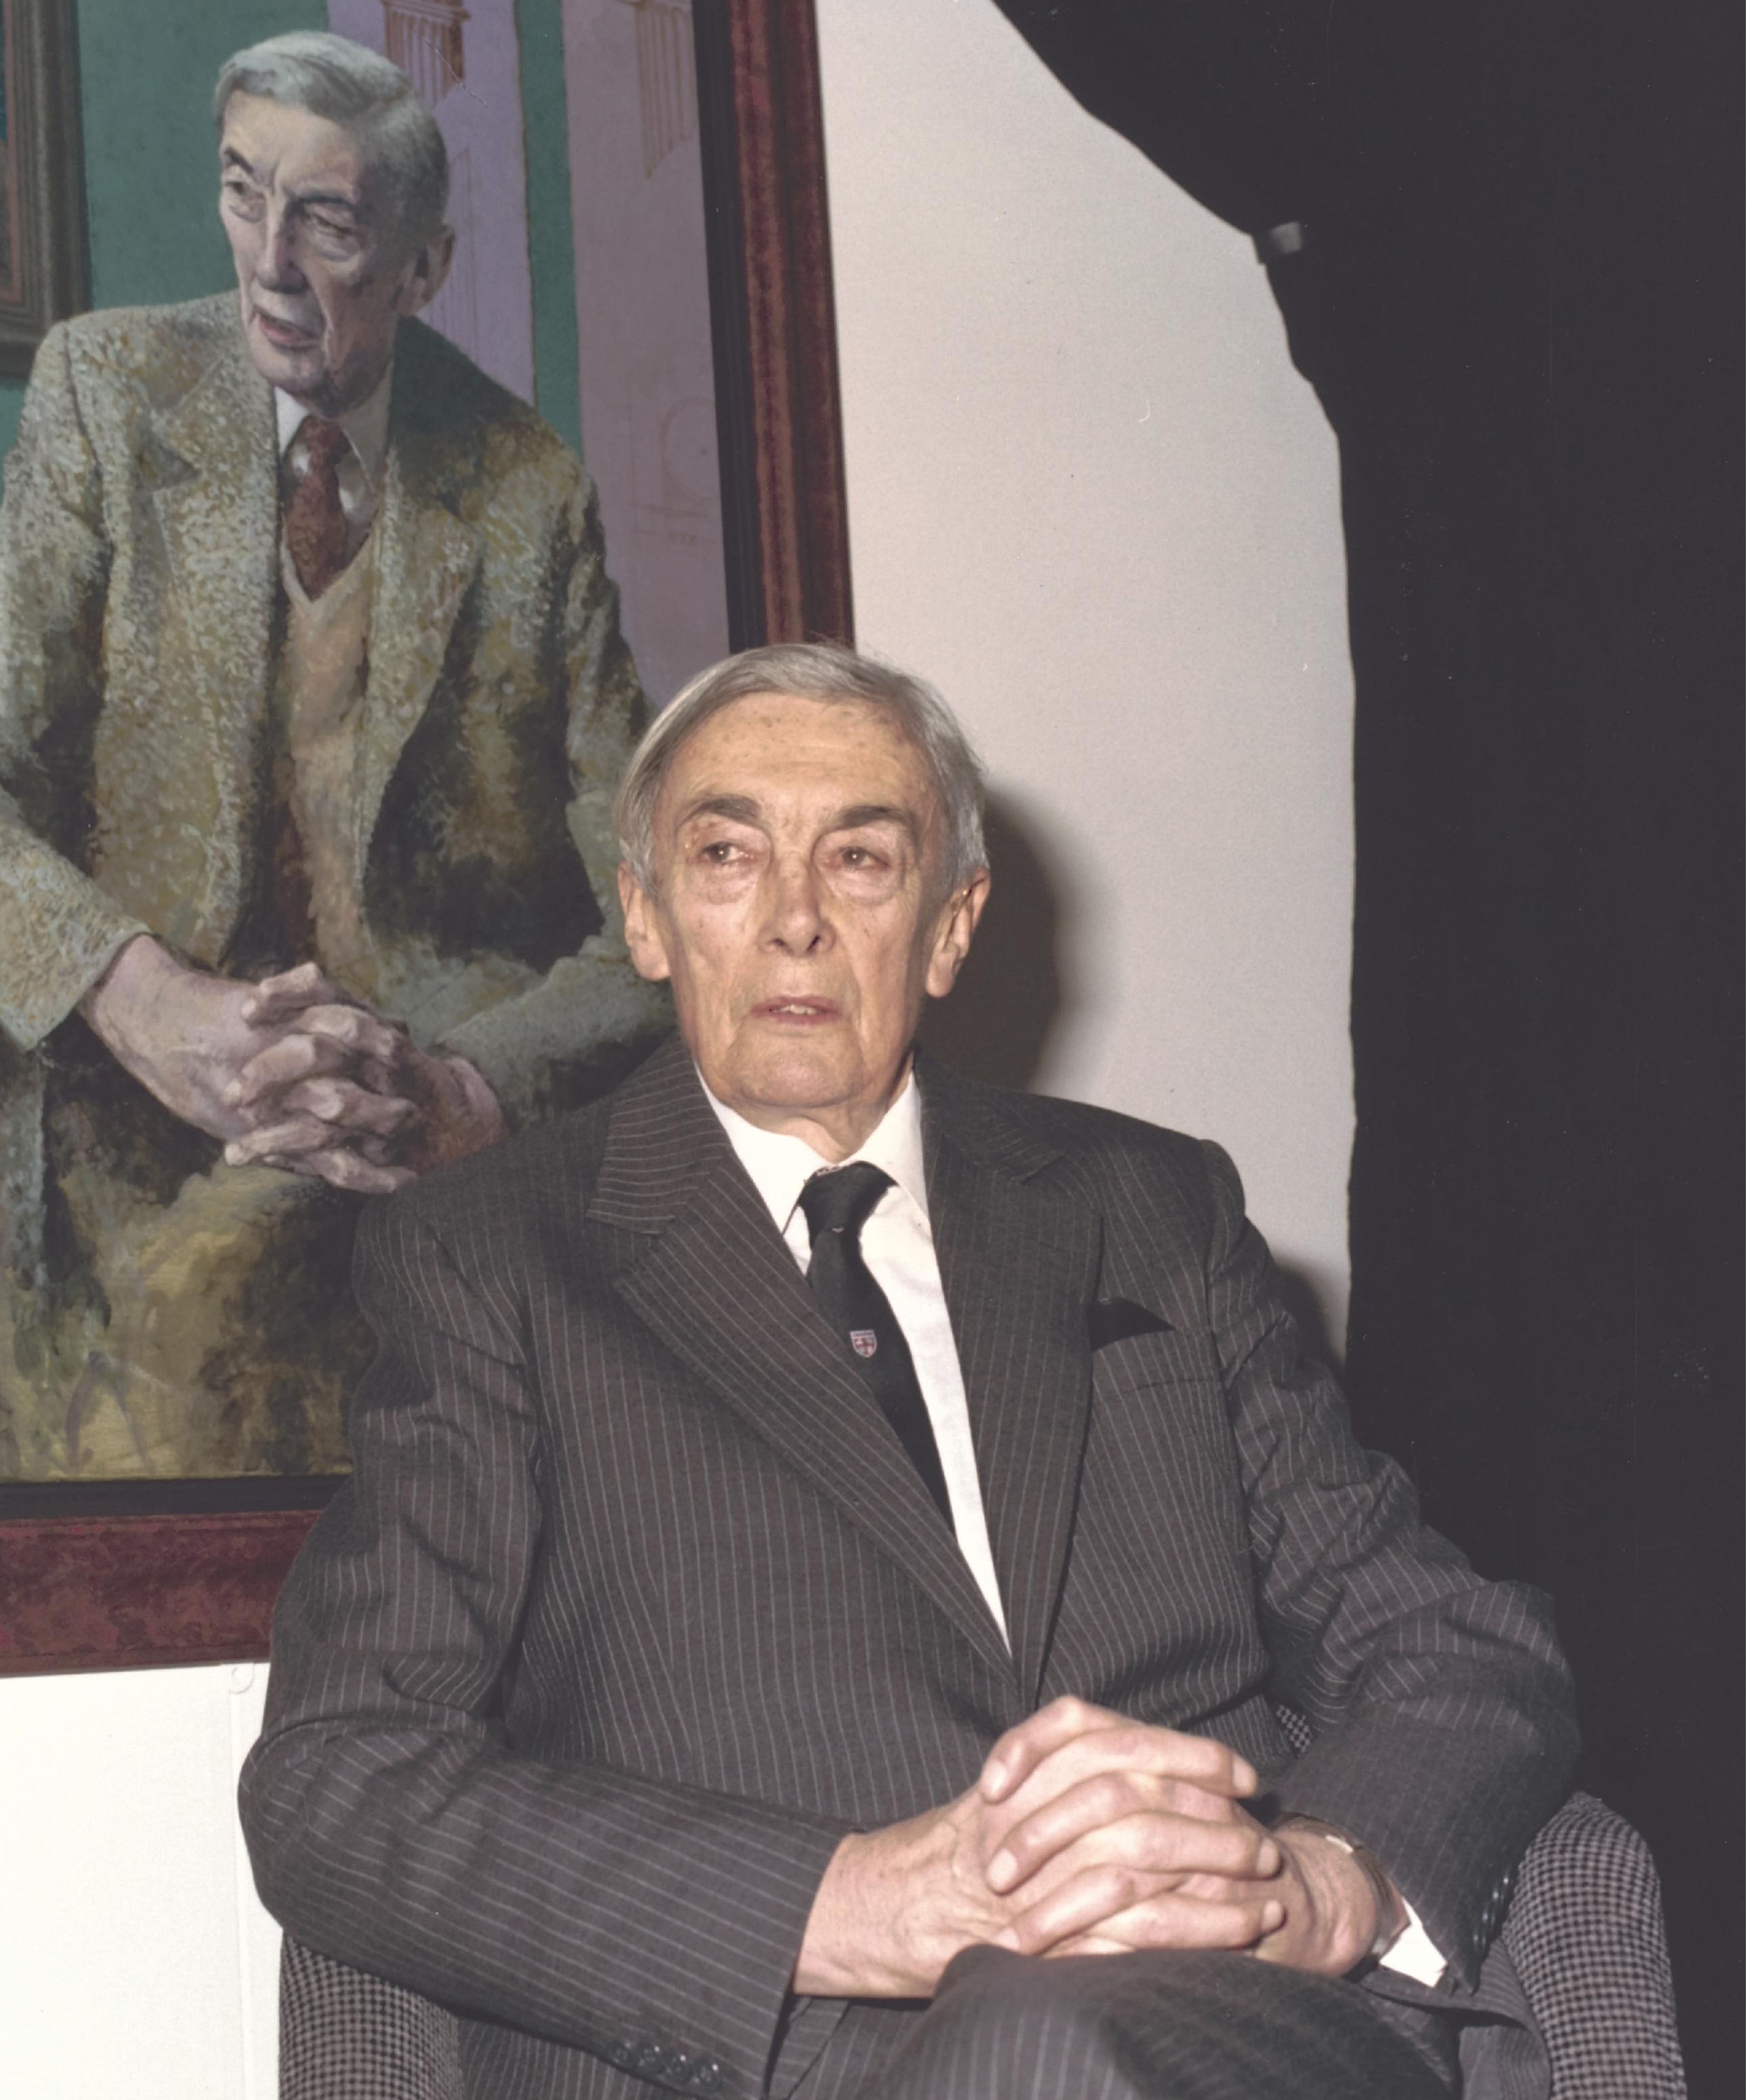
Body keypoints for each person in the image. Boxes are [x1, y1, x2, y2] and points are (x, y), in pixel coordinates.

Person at [241, 642, 1577, 2098]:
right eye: (727, 854)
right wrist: (854, 1900)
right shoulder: (493, 1257)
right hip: (793, 2049)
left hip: (1226, 2031)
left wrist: (1319, 1884)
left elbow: (1456, 1645)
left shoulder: (1150, 1210)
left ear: (949, 926)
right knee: (1027, 2046)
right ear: (645, 916)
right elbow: (341, 1778)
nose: (797, 921)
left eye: (863, 859)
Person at [0, 33, 667, 1476]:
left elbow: (659, 905)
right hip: (134, 1115)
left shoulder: (525, 487)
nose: (269, 262)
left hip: (415, 1133)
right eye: (244, 194)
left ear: (424, 266)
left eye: (326, 221)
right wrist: (140, 998)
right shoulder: (109, 395)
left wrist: (465, 1092)